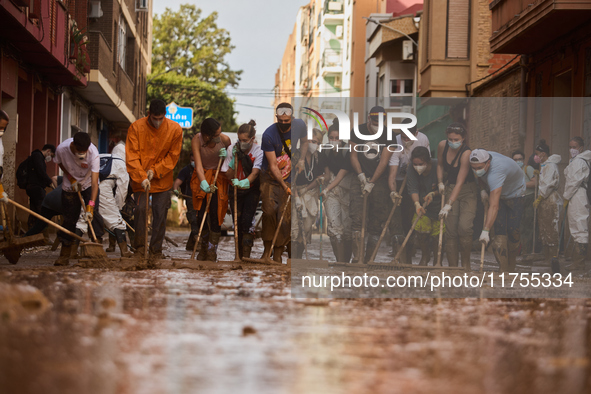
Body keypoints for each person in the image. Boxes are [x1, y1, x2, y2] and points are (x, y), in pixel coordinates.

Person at [126, 99, 183, 259]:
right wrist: (142, 177)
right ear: (148, 114)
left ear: (165, 115)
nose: (158, 122)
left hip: (163, 179)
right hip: (140, 180)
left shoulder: (175, 129)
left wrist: (156, 170)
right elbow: (131, 157)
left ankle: (155, 251)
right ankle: (139, 249)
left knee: (160, 213)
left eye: (161, 119)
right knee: (141, 210)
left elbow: (173, 157)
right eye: (154, 118)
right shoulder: (136, 127)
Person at [260, 103, 307, 263]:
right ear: (277, 118)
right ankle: (267, 251)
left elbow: (305, 142)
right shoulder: (268, 135)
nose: (284, 124)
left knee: (285, 215)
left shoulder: (300, 125)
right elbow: (273, 165)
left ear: (292, 118)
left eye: (287, 121)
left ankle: (278, 254)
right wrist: (283, 185)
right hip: (270, 178)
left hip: (290, 176)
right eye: (281, 121)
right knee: (268, 212)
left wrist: (301, 159)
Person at [350, 106, 394, 264]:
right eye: (374, 121)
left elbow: (384, 161)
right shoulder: (358, 130)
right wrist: (361, 175)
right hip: (358, 177)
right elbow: (353, 155)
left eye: (380, 121)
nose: (377, 124)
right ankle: (357, 257)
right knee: (357, 217)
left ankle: (369, 258)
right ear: (369, 118)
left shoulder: (389, 135)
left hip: (379, 180)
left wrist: (372, 182)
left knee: (377, 220)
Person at [470, 149, 526, 272]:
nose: (476, 170)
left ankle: (512, 264)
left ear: (488, 163)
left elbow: (494, 206)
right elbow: (480, 175)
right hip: (497, 191)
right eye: (473, 168)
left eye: (479, 167)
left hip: (515, 193)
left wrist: (485, 230)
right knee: (499, 231)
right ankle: (503, 268)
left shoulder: (497, 171)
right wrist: (483, 189)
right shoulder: (480, 160)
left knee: (513, 230)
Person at [53, 132, 102, 266]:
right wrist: (70, 177)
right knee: (69, 219)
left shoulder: (93, 154)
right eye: (79, 151)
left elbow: (94, 183)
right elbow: (60, 163)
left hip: (87, 182)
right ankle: (64, 255)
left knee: (95, 214)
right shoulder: (61, 149)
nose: (82, 154)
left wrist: (90, 206)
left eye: (84, 152)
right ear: (73, 145)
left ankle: (97, 247)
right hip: (70, 184)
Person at [388, 117, 430, 262]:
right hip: (399, 182)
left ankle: (412, 249)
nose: (405, 140)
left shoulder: (423, 139)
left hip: (416, 181)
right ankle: (401, 253)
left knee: (412, 217)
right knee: (399, 218)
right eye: (403, 137)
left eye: (409, 137)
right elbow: (392, 171)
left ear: (416, 133)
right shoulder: (395, 141)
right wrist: (393, 191)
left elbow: (426, 162)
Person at [436, 123, 477, 270]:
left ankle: (466, 265)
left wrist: (448, 205)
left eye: (456, 139)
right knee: (451, 230)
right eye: (450, 139)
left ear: (463, 138)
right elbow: (440, 165)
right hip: (450, 188)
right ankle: (453, 267)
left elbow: (460, 181)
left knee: (464, 227)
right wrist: (440, 182)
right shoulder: (442, 146)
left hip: (467, 190)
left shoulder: (466, 153)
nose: (453, 142)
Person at [190, 118, 231, 261]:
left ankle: (212, 250)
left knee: (215, 213)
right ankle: (203, 248)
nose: (219, 136)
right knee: (201, 215)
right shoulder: (197, 140)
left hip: (219, 177)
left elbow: (231, 160)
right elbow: (198, 165)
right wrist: (204, 183)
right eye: (216, 134)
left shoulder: (225, 140)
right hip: (203, 176)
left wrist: (226, 157)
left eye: (220, 132)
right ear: (207, 135)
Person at [223, 120, 263, 259]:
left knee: (247, 222)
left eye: (245, 140)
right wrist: (233, 163)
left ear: (252, 138)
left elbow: (255, 173)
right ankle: (238, 255)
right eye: (239, 140)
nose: (242, 143)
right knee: (237, 223)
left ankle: (245, 255)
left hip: (251, 190)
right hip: (234, 191)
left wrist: (244, 182)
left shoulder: (258, 151)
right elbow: (226, 173)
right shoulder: (232, 149)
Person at [321, 119, 355, 262]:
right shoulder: (325, 150)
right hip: (331, 191)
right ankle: (339, 261)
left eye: (337, 138)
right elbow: (328, 174)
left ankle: (346, 260)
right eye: (332, 138)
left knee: (348, 228)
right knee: (335, 227)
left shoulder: (348, 151)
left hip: (348, 189)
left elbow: (341, 176)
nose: (334, 141)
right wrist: (322, 181)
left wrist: (327, 188)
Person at [292, 128, 327, 259]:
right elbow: (290, 177)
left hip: (310, 192)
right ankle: (293, 257)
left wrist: (307, 189)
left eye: (316, 142)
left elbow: (323, 176)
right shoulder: (296, 155)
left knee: (306, 226)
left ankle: (299, 255)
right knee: (295, 226)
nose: (313, 144)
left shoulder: (319, 157)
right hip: (295, 192)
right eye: (310, 141)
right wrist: (296, 197)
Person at [406, 146, 443, 266]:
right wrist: (417, 204)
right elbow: (413, 188)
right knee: (421, 231)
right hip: (423, 204)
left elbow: (446, 186)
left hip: (440, 204)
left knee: (438, 235)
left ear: (427, 161)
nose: (417, 167)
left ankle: (438, 261)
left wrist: (434, 193)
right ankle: (425, 256)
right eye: (415, 164)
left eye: (420, 164)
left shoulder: (438, 166)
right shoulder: (411, 169)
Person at [531, 140, 562, 266]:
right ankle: (546, 256)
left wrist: (540, 197)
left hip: (549, 199)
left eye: (537, 154)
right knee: (543, 227)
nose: (536, 157)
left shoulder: (550, 166)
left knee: (550, 228)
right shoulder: (544, 166)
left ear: (543, 154)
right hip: (544, 199)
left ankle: (553, 257)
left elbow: (548, 185)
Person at [563, 136, 591, 273]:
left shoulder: (579, 162)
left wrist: (566, 197)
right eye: (570, 147)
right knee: (575, 225)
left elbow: (573, 182)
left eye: (574, 147)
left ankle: (580, 262)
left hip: (577, 194)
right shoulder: (575, 161)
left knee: (579, 226)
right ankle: (576, 260)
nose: (572, 150)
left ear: (581, 147)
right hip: (575, 194)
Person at [99, 142, 132, 257]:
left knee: (83, 219)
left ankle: (69, 253)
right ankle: (125, 251)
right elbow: (122, 190)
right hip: (103, 190)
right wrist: (118, 207)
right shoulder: (121, 164)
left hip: (86, 188)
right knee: (116, 221)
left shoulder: (101, 156)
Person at [24, 144, 56, 232]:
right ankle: (43, 234)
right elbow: (41, 172)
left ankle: (31, 232)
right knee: (43, 211)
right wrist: (49, 182)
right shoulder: (37, 156)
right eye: (52, 155)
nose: (51, 158)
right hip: (36, 188)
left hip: (34, 187)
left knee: (34, 211)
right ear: (48, 151)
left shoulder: (38, 157)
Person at [512, 150, 537, 255]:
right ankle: (520, 250)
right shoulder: (512, 170)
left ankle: (527, 251)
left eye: (520, 159)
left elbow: (534, 183)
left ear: (523, 160)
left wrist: (521, 185)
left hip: (528, 198)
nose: (518, 161)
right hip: (517, 199)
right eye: (515, 160)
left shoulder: (528, 169)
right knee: (519, 226)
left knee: (527, 226)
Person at [173, 153, 198, 251]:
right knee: (194, 220)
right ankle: (197, 242)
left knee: (201, 220)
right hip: (190, 198)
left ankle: (191, 245)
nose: (194, 162)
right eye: (192, 160)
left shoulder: (204, 168)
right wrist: (175, 189)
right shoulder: (186, 170)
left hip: (202, 198)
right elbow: (178, 182)